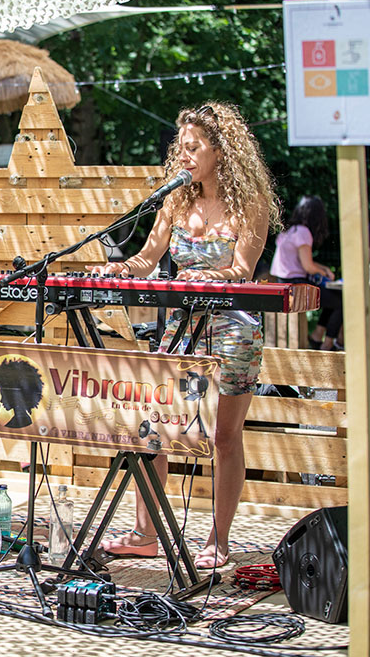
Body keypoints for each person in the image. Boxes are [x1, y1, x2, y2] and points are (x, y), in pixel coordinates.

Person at [89, 102, 280, 569]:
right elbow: (148, 258)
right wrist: (120, 268)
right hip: (179, 326)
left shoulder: (249, 201)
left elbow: (242, 271)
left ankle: (218, 538)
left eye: (194, 147)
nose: (185, 156)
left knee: (224, 438)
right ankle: (145, 533)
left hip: (230, 326)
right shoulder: (176, 199)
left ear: (222, 151)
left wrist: (216, 278)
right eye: (182, 147)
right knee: (152, 430)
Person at [270, 195, 342, 351]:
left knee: (333, 299)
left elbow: (302, 261)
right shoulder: (303, 232)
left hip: (283, 283)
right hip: (297, 287)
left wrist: (323, 269)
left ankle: (317, 336)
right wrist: (323, 271)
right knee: (340, 302)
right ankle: (327, 343)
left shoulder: (289, 230)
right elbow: (308, 267)